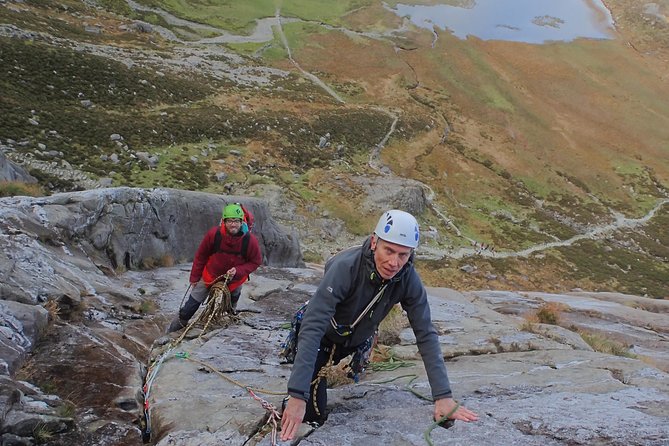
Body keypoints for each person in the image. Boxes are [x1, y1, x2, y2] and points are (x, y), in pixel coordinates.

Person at [280, 210, 478, 441]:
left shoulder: (408, 279)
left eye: (403, 255)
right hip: (322, 338)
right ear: (374, 242)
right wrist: (297, 396)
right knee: (313, 414)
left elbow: (425, 334)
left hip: (356, 339)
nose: (394, 262)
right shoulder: (346, 268)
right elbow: (313, 327)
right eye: (389, 250)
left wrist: (443, 396)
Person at [167, 203, 262, 333]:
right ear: (224, 221)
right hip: (210, 275)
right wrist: (194, 277)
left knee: (232, 299)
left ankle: (230, 319)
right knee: (189, 308)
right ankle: (170, 333)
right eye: (229, 221)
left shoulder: (249, 240)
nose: (233, 224)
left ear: (241, 222)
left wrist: (238, 271)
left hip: (234, 279)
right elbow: (201, 256)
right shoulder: (214, 234)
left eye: (236, 221)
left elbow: (256, 261)